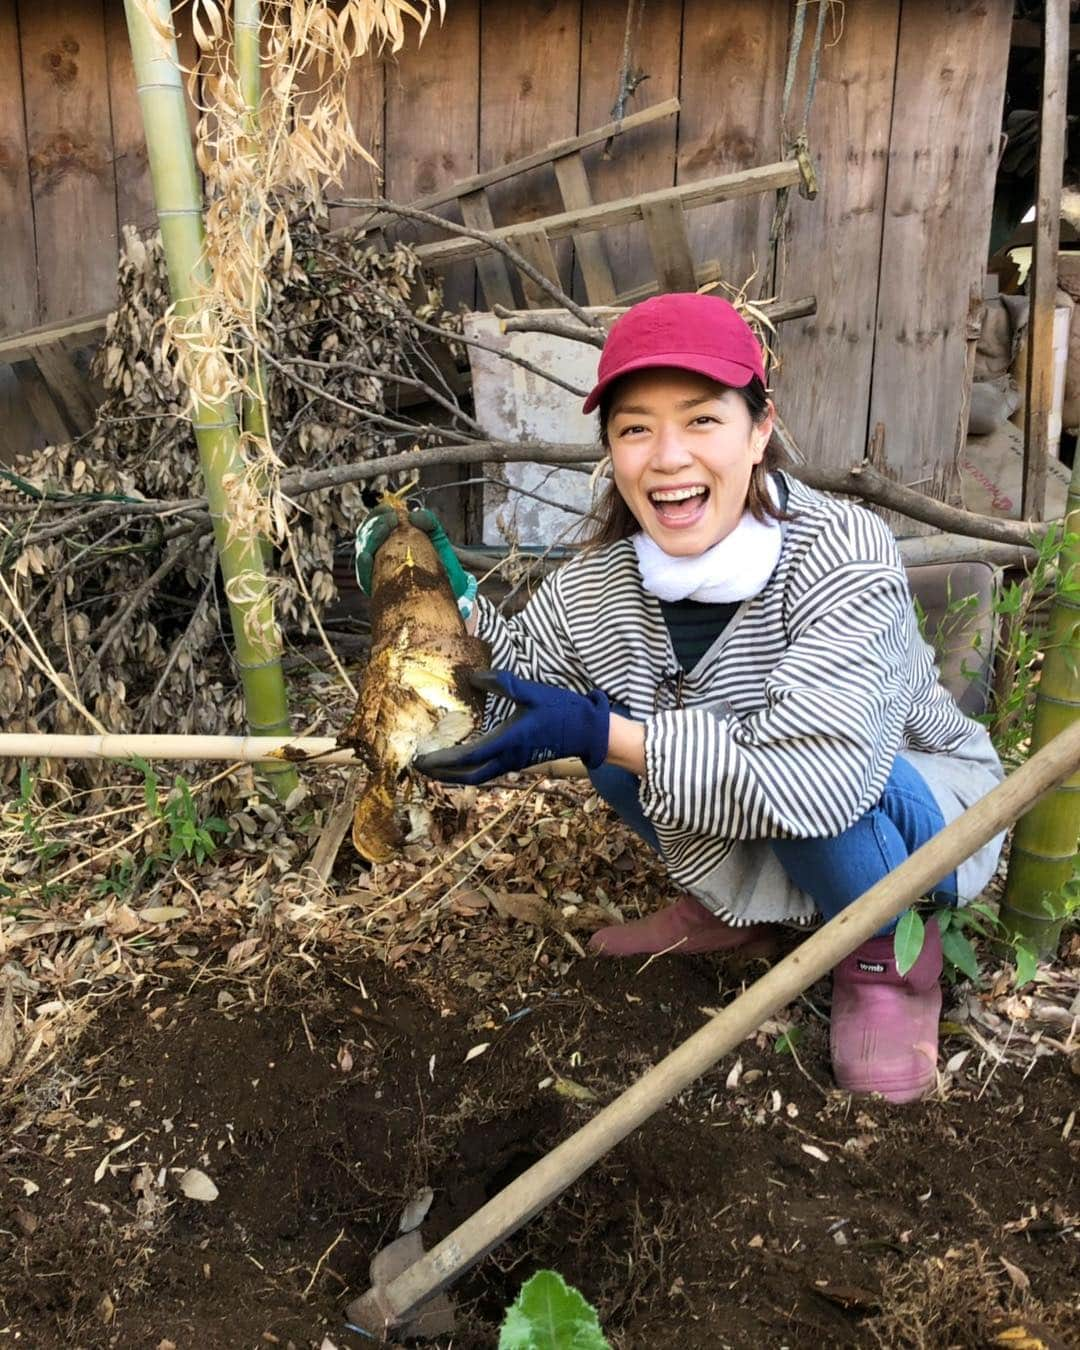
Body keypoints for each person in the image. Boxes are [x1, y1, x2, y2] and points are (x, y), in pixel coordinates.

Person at [354, 293, 1005, 1105]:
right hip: (772, 798)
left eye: (701, 421)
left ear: (759, 430)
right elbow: (518, 678)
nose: (667, 457)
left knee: (658, 753)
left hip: (902, 805)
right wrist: (445, 608)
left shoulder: (843, 554)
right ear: (610, 451)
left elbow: (823, 780)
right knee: (613, 746)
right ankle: (730, 904)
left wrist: (611, 734)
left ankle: (887, 958)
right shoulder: (599, 585)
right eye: (635, 428)